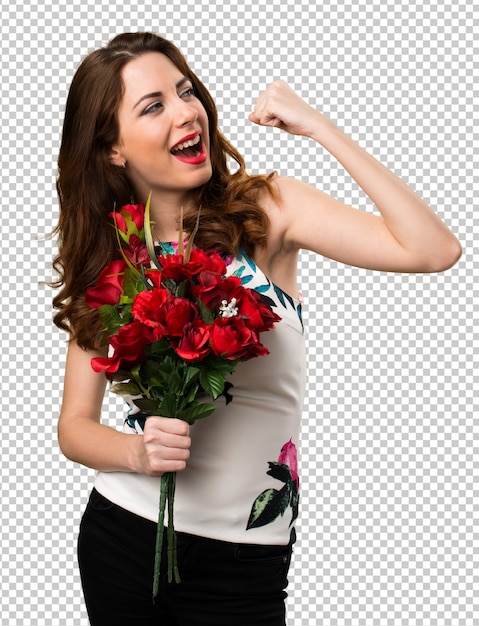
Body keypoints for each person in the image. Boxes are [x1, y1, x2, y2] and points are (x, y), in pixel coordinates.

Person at [52, 31, 461, 626]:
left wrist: (319, 127)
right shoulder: (116, 258)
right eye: (153, 105)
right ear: (112, 149)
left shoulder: (265, 211)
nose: (186, 111)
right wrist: (137, 453)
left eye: (185, 90)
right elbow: (74, 428)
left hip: (249, 563)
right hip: (125, 539)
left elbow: (433, 249)